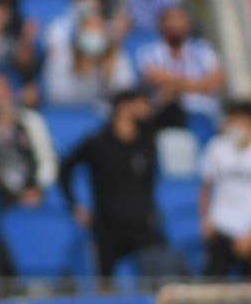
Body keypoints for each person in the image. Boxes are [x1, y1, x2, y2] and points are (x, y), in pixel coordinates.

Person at [60, 90, 181, 278]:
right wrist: (74, 204)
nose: (146, 108)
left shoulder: (146, 140)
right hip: (108, 224)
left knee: (154, 275)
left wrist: (170, 97)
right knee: (105, 278)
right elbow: (65, 168)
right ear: (124, 107)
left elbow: (174, 118)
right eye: (140, 103)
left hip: (142, 224)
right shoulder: (97, 143)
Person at [0, 72, 57, 206]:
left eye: (0, 96)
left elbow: (46, 159)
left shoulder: (31, 121)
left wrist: (36, 187)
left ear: (10, 94)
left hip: (33, 193)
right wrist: (13, 195)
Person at [199, 101, 251, 278]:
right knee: (213, 284)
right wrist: (205, 219)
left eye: (239, 120)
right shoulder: (217, 147)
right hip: (220, 226)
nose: (233, 125)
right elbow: (205, 187)